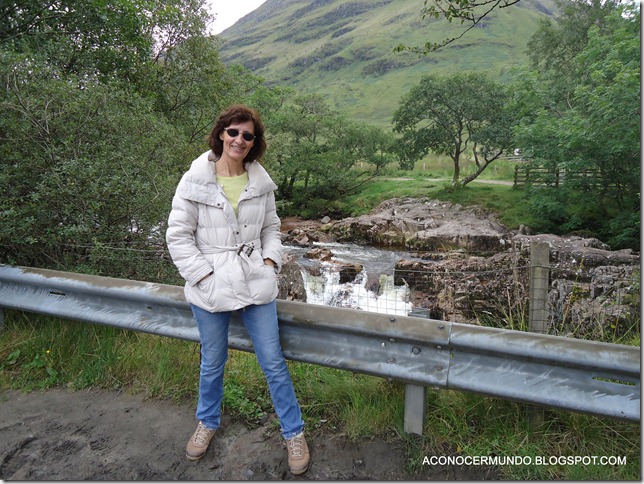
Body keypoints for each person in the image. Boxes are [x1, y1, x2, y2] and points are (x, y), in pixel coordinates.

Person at [165, 104, 309, 475]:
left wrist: (270, 262)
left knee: (274, 364)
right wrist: (204, 277)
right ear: (220, 134)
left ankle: (294, 433)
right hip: (210, 285)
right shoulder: (194, 179)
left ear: (254, 142)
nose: (239, 140)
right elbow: (178, 236)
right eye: (233, 132)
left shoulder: (260, 183)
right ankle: (207, 423)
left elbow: (272, 229)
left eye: (248, 135)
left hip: (254, 279)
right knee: (212, 363)